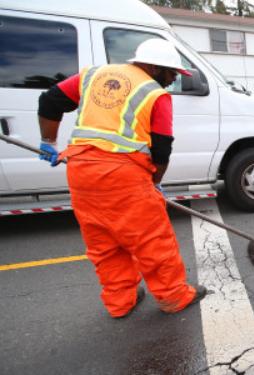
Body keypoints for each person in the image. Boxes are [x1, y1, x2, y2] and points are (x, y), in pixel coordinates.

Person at [37, 38, 207, 319]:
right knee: (152, 241)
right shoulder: (154, 94)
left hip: (81, 171)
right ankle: (173, 296)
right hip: (122, 176)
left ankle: (120, 301)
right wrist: (155, 181)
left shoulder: (93, 75)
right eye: (172, 73)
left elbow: (49, 100)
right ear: (154, 66)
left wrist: (47, 141)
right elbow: (162, 148)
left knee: (104, 244)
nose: (174, 79)